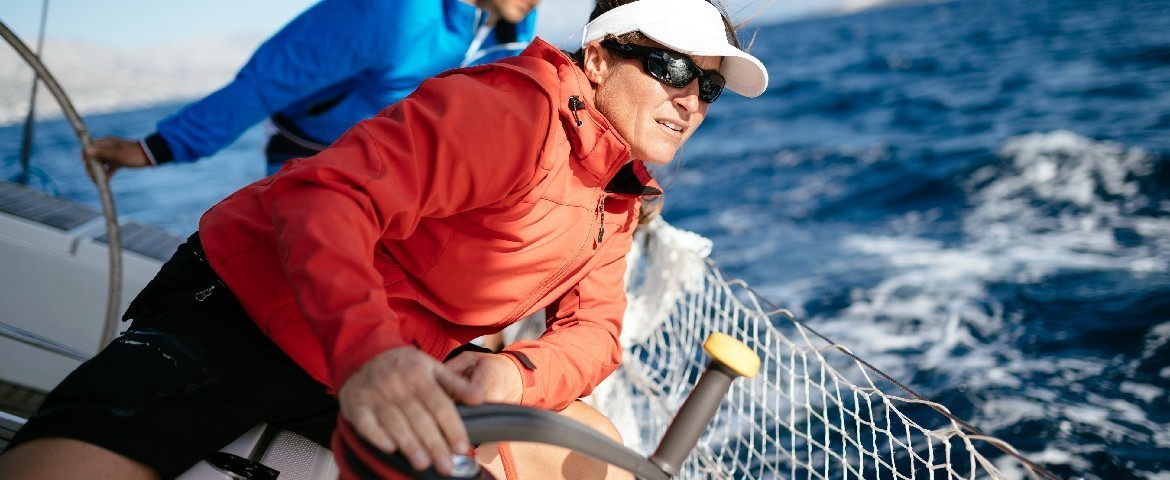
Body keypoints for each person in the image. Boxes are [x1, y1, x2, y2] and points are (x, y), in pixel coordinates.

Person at [0, 0, 768, 478]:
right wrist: (371, 355)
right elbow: (322, 193)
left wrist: (514, 377)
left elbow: (596, 330)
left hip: (396, 359)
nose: (688, 99)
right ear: (597, 58)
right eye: (670, 66)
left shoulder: (619, 187)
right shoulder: (513, 112)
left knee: (589, 449)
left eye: (707, 86)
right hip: (246, 312)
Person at [85, 0, 540, 178]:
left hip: (402, 160)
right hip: (309, 153)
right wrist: (154, 148)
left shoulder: (515, 23)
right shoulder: (389, 13)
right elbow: (267, 82)